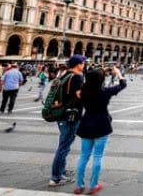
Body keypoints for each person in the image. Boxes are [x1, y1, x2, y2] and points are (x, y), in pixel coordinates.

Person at [74, 66, 127, 195]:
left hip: (86, 125)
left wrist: (96, 73)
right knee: (97, 157)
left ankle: (79, 186)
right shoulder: (105, 92)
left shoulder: (81, 92)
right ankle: (93, 186)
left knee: (83, 157)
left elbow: (90, 80)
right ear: (101, 80)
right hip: (102, 126)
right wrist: (118, 73)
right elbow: (123, 84)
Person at [49, 55, 86, 187]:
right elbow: (80, 95)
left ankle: (61, 170)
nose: (84, 64)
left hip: (62, 114)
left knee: (64, 144)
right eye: (83, 62)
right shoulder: (76, 77)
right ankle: (56, 177)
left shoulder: (65, 75)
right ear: (78, 64)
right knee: (64, 147)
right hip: (71, 116)